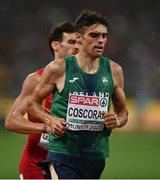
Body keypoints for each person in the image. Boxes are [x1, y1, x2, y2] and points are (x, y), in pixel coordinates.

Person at [27, 10, 128, 179]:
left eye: (104, 36)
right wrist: (50, 119)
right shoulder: (58, 68)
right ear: (79, 37)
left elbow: (123, 113)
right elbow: (32, 104)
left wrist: (117, 120)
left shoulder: (114, 70)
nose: (101, 40)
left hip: (95, 155)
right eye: (94, 35)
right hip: (62, 152)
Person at [5, 21, 79, 179]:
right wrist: (47, 127)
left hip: (69, 163)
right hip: (36, 164)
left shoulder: (85, 82)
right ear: (55, 45)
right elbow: (11, 121)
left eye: (79, 43)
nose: (77, 47)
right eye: (71, 42)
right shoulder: (36, 80)